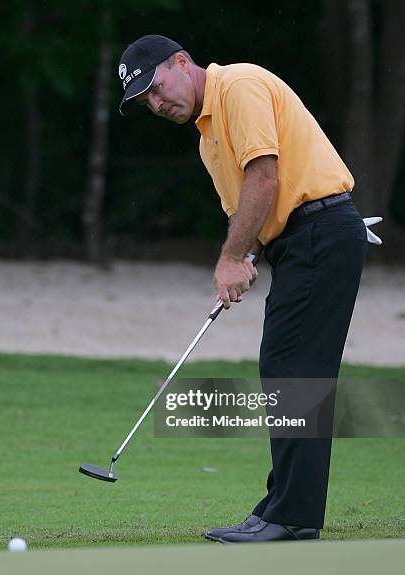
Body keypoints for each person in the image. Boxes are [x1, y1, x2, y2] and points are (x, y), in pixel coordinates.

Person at [118, 34, 377, 543]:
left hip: (321, 230)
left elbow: (265, 177)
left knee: (297, 376)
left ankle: (293, 515)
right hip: (299, 242)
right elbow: (249, 213)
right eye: (144, 99)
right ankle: (282, 508)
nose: (156, 102)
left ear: (181, 62)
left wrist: (232, 258)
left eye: (156, 87)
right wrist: (244, 255)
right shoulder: (205, 137)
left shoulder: (238, 85)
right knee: (285, 371)